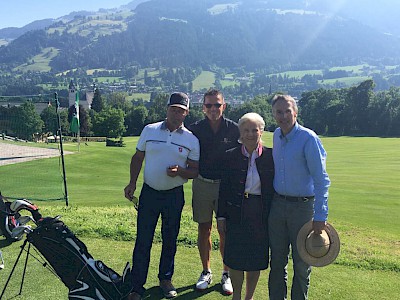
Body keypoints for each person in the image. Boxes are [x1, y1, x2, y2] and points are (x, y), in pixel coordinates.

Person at [124, 92, 200, 300]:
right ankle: (137, 286)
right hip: (149, 192)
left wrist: (181, 172)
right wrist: (132, 183)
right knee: (143, 240)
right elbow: (138, 157)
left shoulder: (191, 140)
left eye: (181, 110)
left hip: (174, 195)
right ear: (167, 109)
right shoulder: (149, 130)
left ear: (186, 113)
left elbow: (194, 171)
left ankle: (165, 279)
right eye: (173, 109)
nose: (177, 113)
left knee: (170, 239)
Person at [268, 94, 331, 300]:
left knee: (302, 264)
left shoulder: (308, 138)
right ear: (273, 114)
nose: (284, 115)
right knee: (277, 261)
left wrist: (320, 215)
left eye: (287, 111)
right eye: (279, 112)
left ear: (295, 112)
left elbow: (321, 180)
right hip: (278, 206)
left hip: (303, 209)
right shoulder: (276, 135)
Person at [217, 112, 274, 300]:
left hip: (259, 214)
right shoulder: (229, 156)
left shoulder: (270, 156)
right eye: (246, 130)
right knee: (235, 258)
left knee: (255, 258)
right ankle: (237, 296)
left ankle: (249, 298)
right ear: (240, 132)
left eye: (254, 130)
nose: (250, 134)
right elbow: (223, 189)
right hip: (236, 212)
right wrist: (221, 216)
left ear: (261, 132)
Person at [189, 89, 240, 294]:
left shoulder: (234, 129)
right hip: (202, 183)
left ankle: (225, 273)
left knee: (224, 230)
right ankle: (206, 271)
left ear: (224, 106)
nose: (213, 109)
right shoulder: (194, 129)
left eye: (217, 105)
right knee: (204, 229)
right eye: (208, 105)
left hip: (225, 186)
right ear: (203, 108)